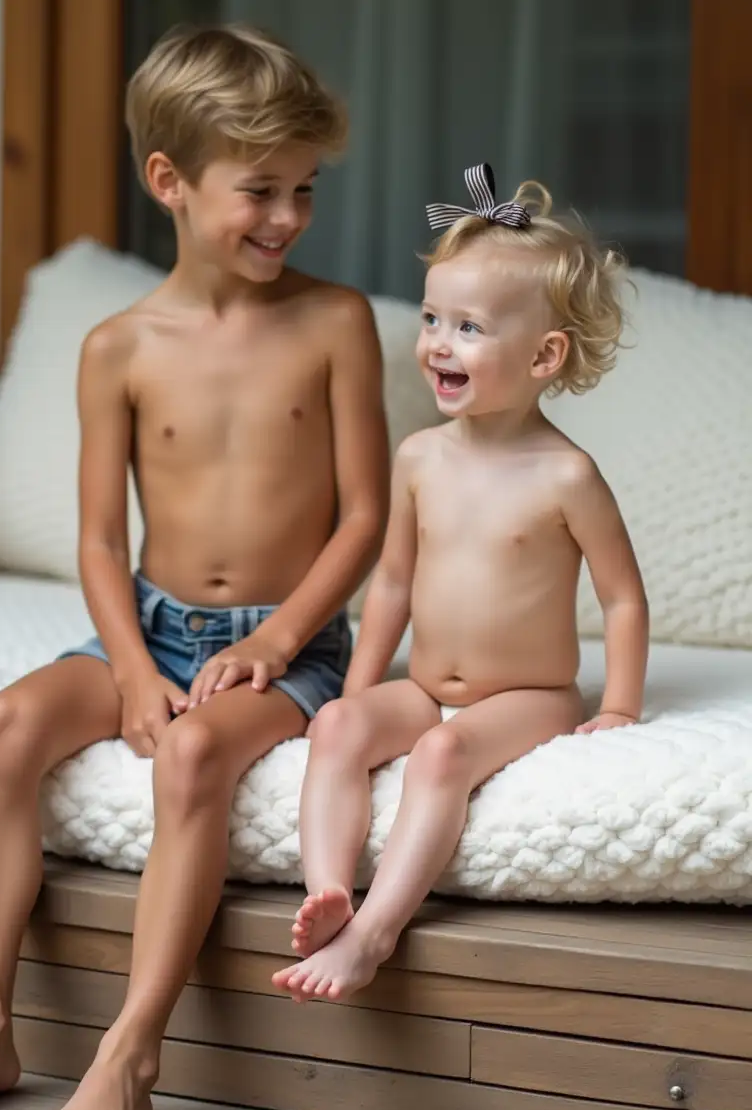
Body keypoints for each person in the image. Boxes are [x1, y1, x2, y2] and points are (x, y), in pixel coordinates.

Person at [0, 22, 389, 1110]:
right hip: (150, 626)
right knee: (2, 726)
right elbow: (103, 541)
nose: (289, 217)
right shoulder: (117, 345)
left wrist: (276, 640)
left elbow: (366, 517)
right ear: (169, 179)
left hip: (289, 637)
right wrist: (125, 665)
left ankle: (132, 1049)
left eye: (303, 188)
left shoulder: (335, 322)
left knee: (197, 751)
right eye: (260, 189)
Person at [273, 164, 648, 1005]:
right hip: (425, 684)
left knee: (441, 753)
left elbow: (623, 598)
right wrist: (364, 689)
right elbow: (394, 586)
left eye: (469, 327)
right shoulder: (418, 459)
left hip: (530, 694)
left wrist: (618, 706)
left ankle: (373, 934)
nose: (438, 342)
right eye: (433, 318)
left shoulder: (567, 476)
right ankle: (327, 893)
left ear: (545, 355)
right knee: (335, 725)